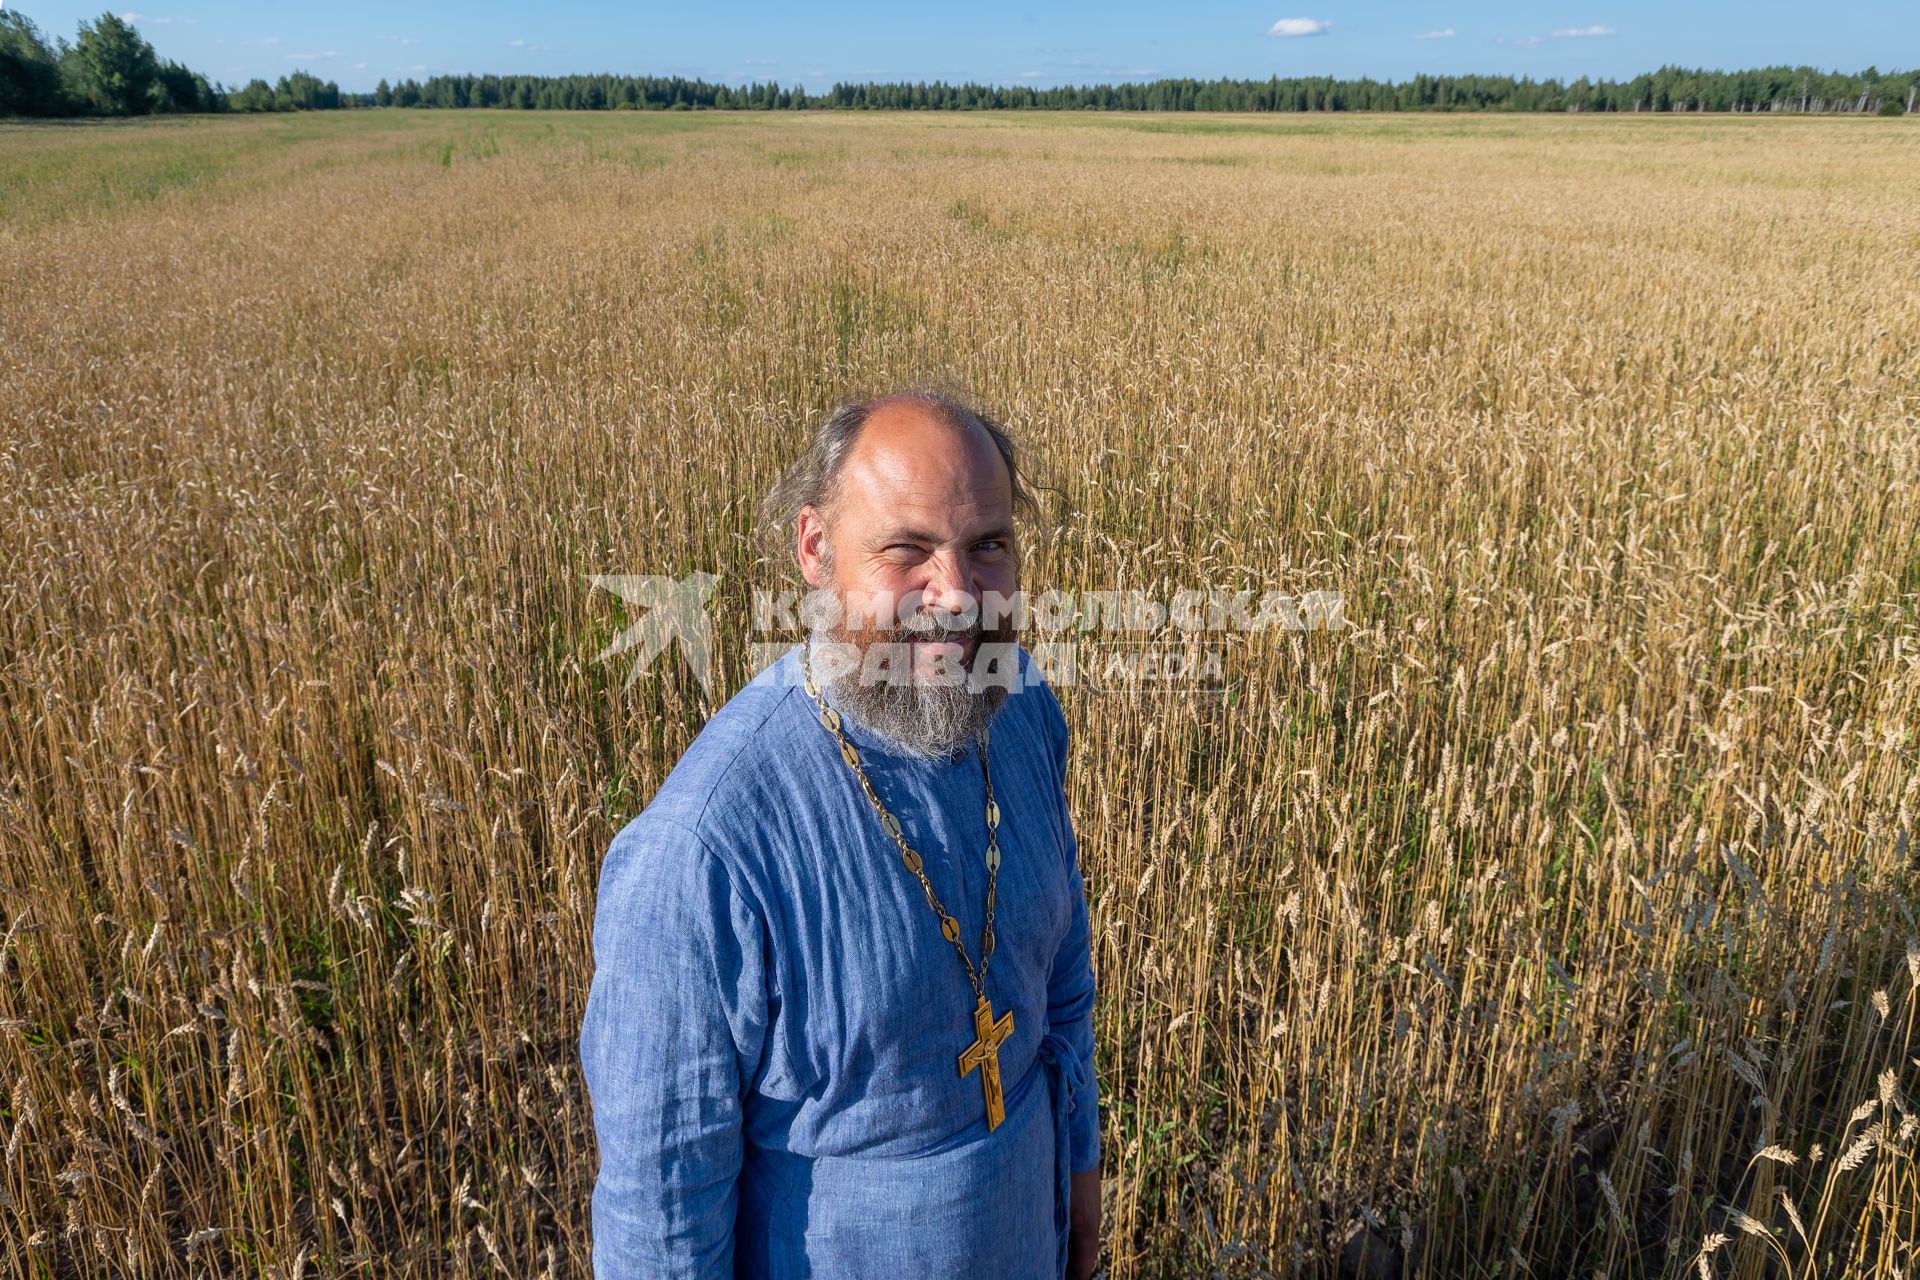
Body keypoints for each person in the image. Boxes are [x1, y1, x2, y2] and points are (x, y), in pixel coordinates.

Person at [580, 389, 1103, 1278]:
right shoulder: (705, 851)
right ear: (816, 549)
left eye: (988, 547)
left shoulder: (1020, 710)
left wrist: (1080, 1175)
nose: (957, 596)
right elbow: (660, 1218)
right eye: (908, 550)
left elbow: (1061, 982)